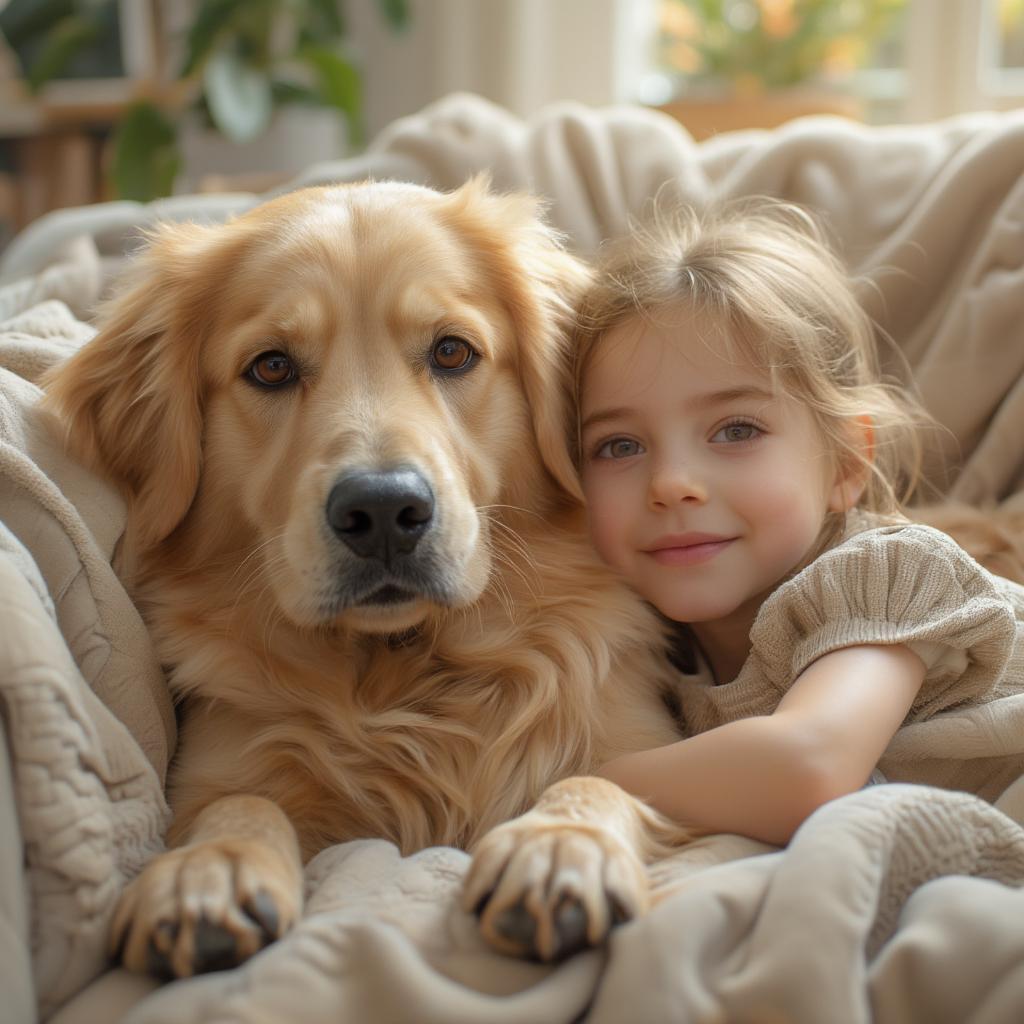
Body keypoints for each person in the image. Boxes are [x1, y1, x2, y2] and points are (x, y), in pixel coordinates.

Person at [572, 198, 1024, 846]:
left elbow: (805, 768)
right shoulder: (646, 654)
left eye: (736, 430)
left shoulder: (882, 573)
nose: (672, 484)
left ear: (844, 462)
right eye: (619, 446)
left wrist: (575, 785)